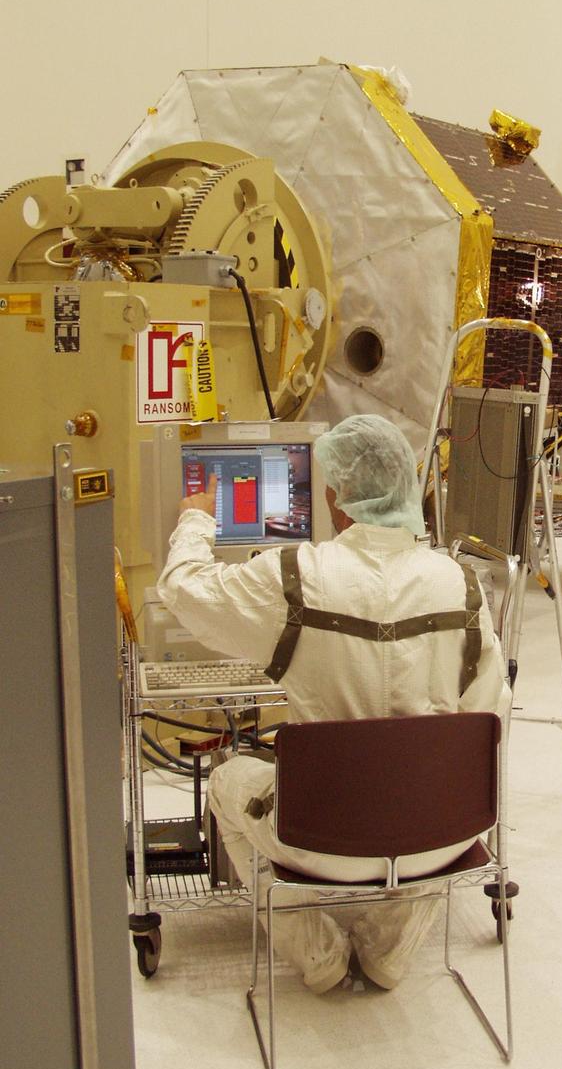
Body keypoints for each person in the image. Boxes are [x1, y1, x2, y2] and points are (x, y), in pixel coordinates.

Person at [158, 414, 510, 993]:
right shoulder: (462, 585)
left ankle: (319, 955)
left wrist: (196, 517)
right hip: (444, 836)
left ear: (335, 497)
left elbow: (184, 589)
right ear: (405, 489)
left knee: (226, 780)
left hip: (319, 839)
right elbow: (486, 720)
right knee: (439, 782)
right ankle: (389, 951)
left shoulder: (294, 577)